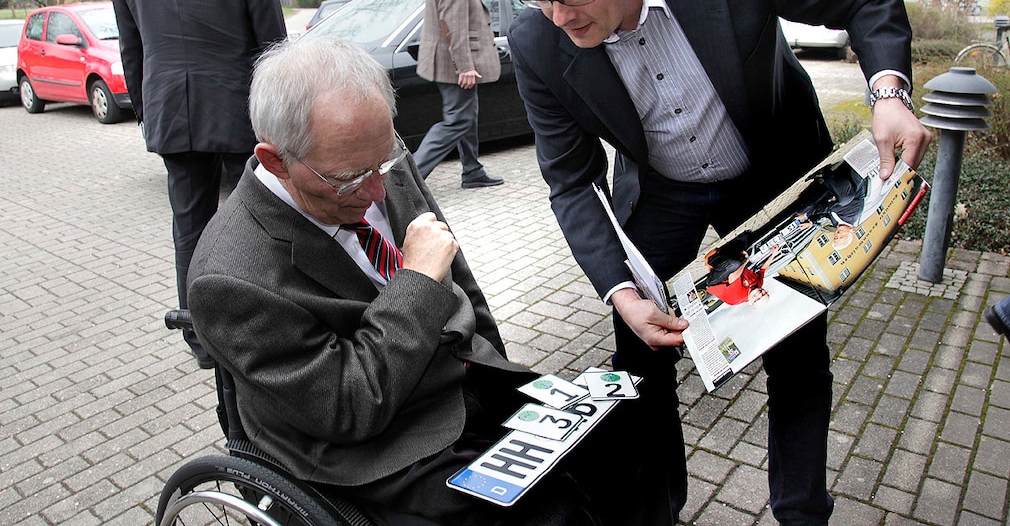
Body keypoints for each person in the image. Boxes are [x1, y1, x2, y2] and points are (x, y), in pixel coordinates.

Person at [508, 0, 932, 526]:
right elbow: (570, 180)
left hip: (768, 169)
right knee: (638, 349)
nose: (562, 19)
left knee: (795, 346)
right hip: (662, 190)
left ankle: (801, 511)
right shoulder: (538, 43)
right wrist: (619, 290)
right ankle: (658, 510)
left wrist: (888, 95)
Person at [186, 36, 670, 526]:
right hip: (379, 447)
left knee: (626, 434)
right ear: (276, 161)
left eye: (384, 162)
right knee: (550, 512)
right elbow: (348, 408)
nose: (377, 189)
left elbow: (459, 277)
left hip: (461, 382)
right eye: (350, 179)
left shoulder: (371, 155)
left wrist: (499, 365)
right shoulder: (229, 278)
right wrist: (415, 279)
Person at [109, 0, 287, 368]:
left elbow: (132, 46)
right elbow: (272, 43)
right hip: (237, 112)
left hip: (171, 113)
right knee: (259, 216)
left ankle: (201, 337)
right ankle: (265, 323)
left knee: (188, 225)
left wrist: (149, 112)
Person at [412, 0, 504, 189]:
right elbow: (454, 26)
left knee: (467, 116)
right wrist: (464, 66)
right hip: (456, 66)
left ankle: (472, 170)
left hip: (448, 63)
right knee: (456, 122)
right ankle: (410, 181)